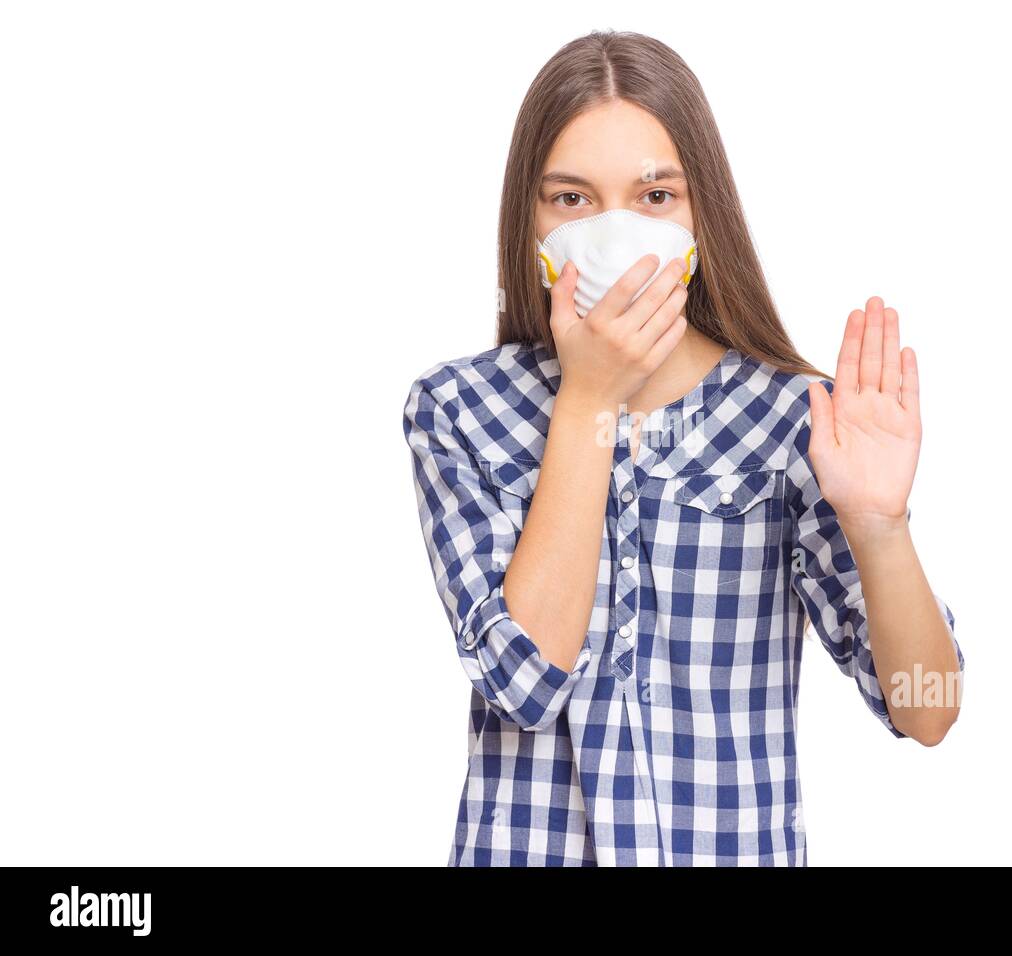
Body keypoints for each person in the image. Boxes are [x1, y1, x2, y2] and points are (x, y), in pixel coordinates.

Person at [403, 30, 964, 866]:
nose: (616, 231)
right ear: (531, 224)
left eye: (654, 196)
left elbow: (928, 709)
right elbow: (522, 682)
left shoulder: (792, 420)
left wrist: (881, 526)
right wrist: (590, 397)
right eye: (572, 199)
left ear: (702, 216)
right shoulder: (459, 410)